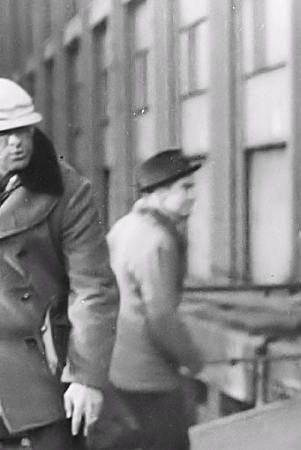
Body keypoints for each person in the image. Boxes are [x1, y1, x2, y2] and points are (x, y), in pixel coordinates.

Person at [0, 78, 119, 448]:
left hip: (40, 372)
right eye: (4, 134)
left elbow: (92, 287)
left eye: (24, 130)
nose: (16, 142)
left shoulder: (68, 192)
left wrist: (86, 376)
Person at [107, 149, 204, 450]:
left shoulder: (124, 226)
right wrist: (192, 359)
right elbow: (161, 317)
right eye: (185, 188)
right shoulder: (157, 240)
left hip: (118, 368)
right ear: (160, 192)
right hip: (150, 378)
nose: (194, 195)